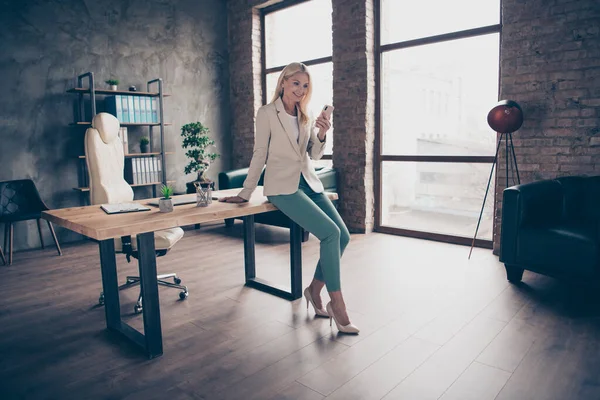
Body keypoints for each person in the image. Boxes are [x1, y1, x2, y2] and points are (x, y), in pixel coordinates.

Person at [219, 62, 359, 334]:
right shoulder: (267, 113)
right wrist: (245, 192)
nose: (301, 89)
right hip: (282, 187)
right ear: (283, 82)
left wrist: (321, 133)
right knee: (330, 233)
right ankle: (337, 304)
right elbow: (260, 153)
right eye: (296, 83)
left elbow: (314, 156)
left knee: (342, 235)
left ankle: (313, 291)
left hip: (308, 182)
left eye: (305, 85)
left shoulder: (304, 115)